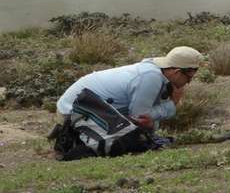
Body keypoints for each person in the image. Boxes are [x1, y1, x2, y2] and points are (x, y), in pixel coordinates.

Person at [50, 46, 204, 160]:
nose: (188, 83)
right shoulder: (151, 78)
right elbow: (140, 118)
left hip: (79, 107)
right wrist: (172, 104)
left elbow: (146, 120)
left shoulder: (155, 70)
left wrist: (152, 122)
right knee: (132, 141)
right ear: (177, 72)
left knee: (139, 135)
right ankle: (75, 136)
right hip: (73, 112)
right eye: (189, 78)